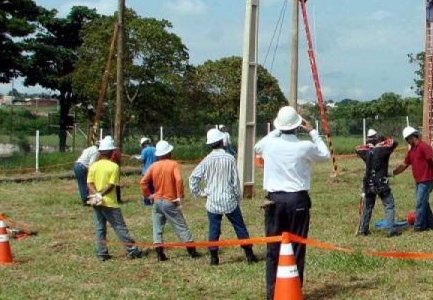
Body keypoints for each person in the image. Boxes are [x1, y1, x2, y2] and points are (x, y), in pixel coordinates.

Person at [254, 106, 330, 300]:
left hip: (274, 200)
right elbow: (325, 154)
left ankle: (272, 294)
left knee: (273, 248)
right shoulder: (304, 146)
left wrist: (277, 129)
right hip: (298, 200)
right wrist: (312, 131)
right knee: (297, 246)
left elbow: (258, 146)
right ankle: (293, 290)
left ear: (278, 126)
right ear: (298, 125)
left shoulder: (269, 145)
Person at [189, 128, 258, 266]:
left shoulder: (206, 160)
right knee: (239, 227)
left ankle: (214, 258)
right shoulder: (230, 158)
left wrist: (200, 193)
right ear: (222, 141)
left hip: (213, 201)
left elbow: (193, 178)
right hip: (229, 200)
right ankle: (249, 255)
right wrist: (238, 197)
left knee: (214, 228)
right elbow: (235, 181)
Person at [86, 136, 147, 261]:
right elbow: (111, 185)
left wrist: (96, 194)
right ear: (111, 152)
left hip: (96, 201)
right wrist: (101, 194)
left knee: (100, 228)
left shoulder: (93, 166)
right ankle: (132, 251)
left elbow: (89, 183)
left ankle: (101, 253)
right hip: (109, 203)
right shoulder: (114, 167)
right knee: (120, 227)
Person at [140, 140, 201, 262]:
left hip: (157, 201)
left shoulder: (153, 166)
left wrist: (149, 195)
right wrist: (180, 196)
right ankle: (192, 251)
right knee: (180, 225)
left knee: (157, 228)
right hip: (170, 200)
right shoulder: (173, 164)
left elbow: (143, 182)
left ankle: (159, 253)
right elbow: (178, 180)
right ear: (169, 153)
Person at [355, 129, 400, 237]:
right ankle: (391, 230)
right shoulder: (384, 149)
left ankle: (363, 230)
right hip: (381, 184)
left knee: (368, 207)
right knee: (389, 205)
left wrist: (369, 145)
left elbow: (357, 148)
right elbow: (394, 142)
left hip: (369, 183)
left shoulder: (366, 151)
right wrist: (380, 143)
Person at [392, 126, 433, 232]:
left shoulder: (423, 147)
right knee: (424, 202)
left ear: (412, 137)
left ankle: (419, 226)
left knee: (419, 203)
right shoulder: (412, 151)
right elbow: (404, 164)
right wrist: (391, 173)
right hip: (419, 181)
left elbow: (432, 159)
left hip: (426, 180)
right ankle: (431, 224)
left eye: (407, 139)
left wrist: (431, 168)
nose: (407, 142)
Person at [73, 140, 99, 205]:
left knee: (82, 183)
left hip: (77, 165)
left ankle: (86, 199)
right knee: (85, 184)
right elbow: (91, 165)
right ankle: (86, 200)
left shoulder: (89, 148)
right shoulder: (95, 151)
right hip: (82, 167)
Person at [136, 137, 157, 205]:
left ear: (143, 144)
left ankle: (147, 201)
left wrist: (137, 159)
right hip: (155, 171)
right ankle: (154, 200)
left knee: (145, 187)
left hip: (146, 172)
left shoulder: (144, 150)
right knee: (153, 187)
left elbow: (142, 160)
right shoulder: (155, 149)